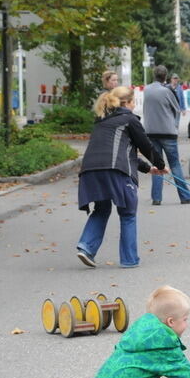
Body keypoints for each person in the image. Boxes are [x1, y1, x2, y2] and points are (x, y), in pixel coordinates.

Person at [76, 87, 167, 268]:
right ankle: (129, 259)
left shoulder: (101, 121)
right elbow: (145, 146)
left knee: (101, 209)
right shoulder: (129, 119)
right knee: (128, 213)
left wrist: (149, 168)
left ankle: (86, 247)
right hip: (116, 171)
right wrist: (162, 165)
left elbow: (126, 151)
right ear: (127, 103)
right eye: (134, 101)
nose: (135, 105)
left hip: (90, 170)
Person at [143, 65, 190, 206]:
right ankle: (185, 196)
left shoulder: (147, 89)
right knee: (174, 164)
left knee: (157, 164)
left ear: (153, 75)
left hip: (150, 131)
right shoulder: (168, 91)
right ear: (166, 76)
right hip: (167, 132)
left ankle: (156, 198)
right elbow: (176, 108)